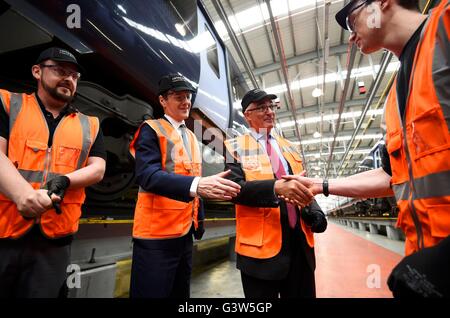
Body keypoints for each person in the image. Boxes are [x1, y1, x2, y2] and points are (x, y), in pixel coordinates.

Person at [283, 0, 450, 297]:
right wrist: (320, 185)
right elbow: (392, 176)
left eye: (350, 20)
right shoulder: (395, 97)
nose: (350, 36)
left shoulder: (445, 29)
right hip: (423, 262)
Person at [0, 47, 106, 297]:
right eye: (60, 70)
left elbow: (98, 168)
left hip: (55, 240)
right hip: (4, 230)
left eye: (74, 76)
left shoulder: (90, 123)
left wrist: (66, 180)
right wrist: (24, 195)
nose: (69, 78)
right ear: (37, 71)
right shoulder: (7, 103)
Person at [128, 73, 241, 298]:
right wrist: (198, 185)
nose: (186, 101)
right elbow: (147, 175)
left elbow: (193, 179)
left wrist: (198, 221)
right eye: (178, 96)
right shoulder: (151, 129)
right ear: (162, 101)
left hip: (185, 234)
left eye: (188, 96)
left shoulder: (190, 136)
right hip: (156, 236)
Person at [223, 89, 327, 298]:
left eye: (271, 106)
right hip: (260, 250)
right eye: (261, 107)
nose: (269, 111)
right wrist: (274, 187)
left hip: (300, 245)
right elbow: (233, 189)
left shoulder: (289, 148)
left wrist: (314, 209)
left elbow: (302, 184)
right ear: (247, 114)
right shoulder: (234, 147)